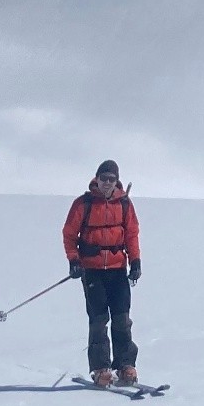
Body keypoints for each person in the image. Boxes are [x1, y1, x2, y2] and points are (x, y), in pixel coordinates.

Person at [62, 159, 142, 387]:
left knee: (122, 319)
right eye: (103, 178)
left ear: (117, 181)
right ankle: (100, 368)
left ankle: (126, 365)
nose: (107, 183)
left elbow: (132, 234)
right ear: (96, 179)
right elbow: (69, 234)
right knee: (98, 320)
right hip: (92, 270)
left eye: (111, 179)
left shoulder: (125, 204)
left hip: (117, 269)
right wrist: (74, 260)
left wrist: (135, 261)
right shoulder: (83, 204)